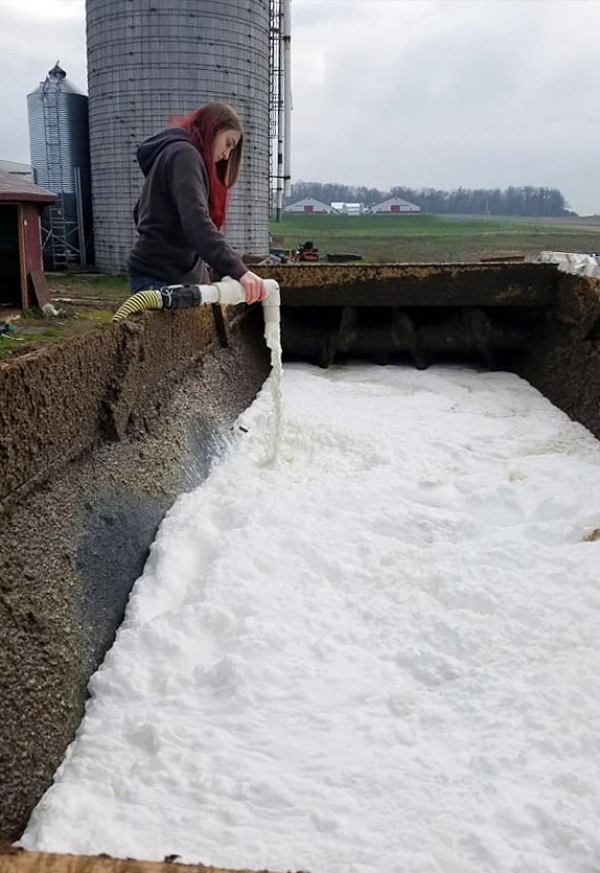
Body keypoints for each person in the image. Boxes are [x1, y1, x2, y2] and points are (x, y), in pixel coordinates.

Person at [127, 102, 267, 304]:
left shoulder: (175, 153)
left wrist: (201, 275)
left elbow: (141, 212)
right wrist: (240, 271)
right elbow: (197, 222)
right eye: (228, 143)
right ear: (213, 130)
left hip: (169, 274)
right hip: (160, 279)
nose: (227, 155)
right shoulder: (184, 155)